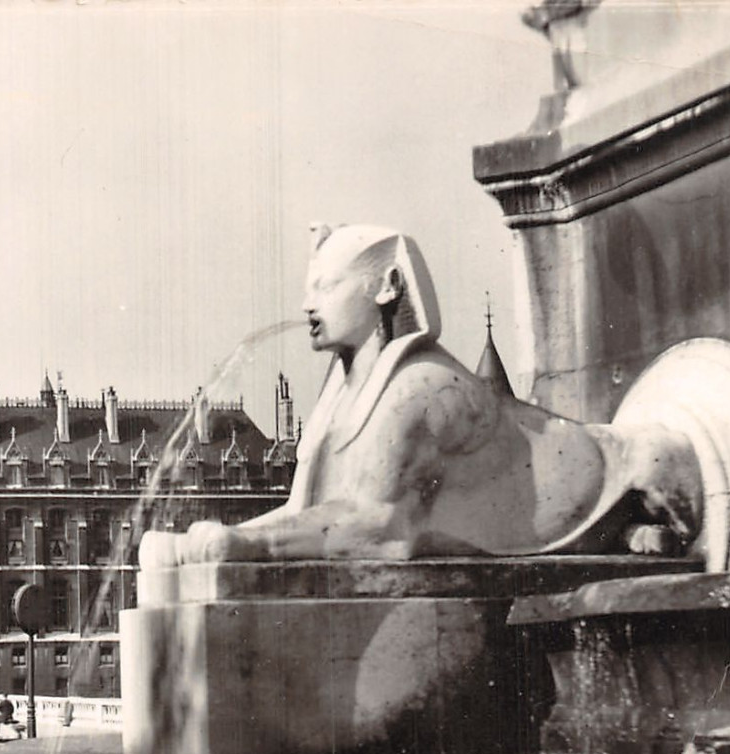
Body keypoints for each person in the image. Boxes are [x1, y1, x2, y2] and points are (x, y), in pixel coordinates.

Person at [141, 223, 701, 568]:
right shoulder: (342, 391)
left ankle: (627, 525)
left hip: (621, 473)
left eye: (328, 288)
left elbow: (382, 529)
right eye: (310, 289)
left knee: (652, 455)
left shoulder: (423, 387)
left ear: (387, 287)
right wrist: (220, 540)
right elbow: (307, 513)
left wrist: (241, 547)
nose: (310, 305)